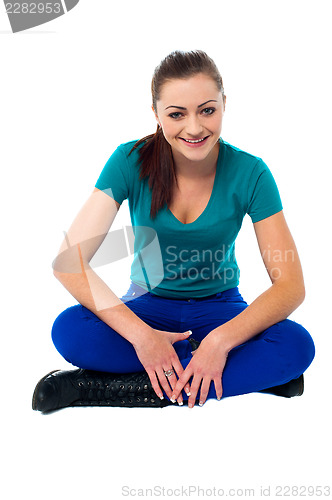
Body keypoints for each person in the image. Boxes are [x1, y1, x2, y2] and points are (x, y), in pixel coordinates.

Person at [32, 50, 315, 412]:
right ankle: (243, 375)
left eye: (207, 110)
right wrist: (142, 337)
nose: (194, 128)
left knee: (296, 345)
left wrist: (220, 342)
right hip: (146, 308)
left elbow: (291, 286)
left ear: (225, 104)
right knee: (70, 330)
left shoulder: (252, 173)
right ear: (156, 114)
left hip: (220, 311)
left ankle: (122, 388)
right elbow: (69, 263)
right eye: (177, 114)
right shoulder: (128, 161)